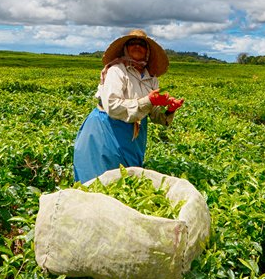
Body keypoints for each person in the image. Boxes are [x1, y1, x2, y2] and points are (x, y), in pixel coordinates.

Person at [73, 29, 184, 182]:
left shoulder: (151, 78)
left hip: (134, 136)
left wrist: (169, 109)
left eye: (142, 44)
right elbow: (113, 106)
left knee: (127, 180)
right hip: (107, 129)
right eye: (132, 43)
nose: (137, 46)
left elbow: (152, 112)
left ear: (147, 51)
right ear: (126, 48)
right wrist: (148, 100)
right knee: (99, 179)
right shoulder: (117, 71)